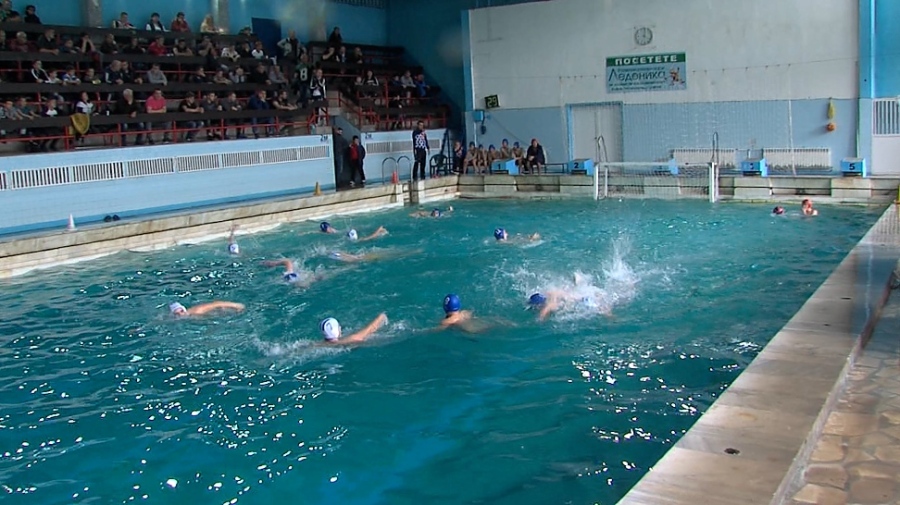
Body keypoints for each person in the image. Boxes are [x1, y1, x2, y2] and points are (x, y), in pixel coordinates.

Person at [319, 313, 388, 346]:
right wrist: (380, 317)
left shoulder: (320, 344)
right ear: (335, 330)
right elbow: (368, 330)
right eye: (338, 327)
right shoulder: (351, 339)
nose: (340, 328)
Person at [170, 301, 244, 317]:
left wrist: (236, 305)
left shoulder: (198, 310)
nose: (181, 314)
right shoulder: (175, 319)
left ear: (184, 309)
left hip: (220, 310)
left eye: (182, 311)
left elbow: (217, 303)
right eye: (177, 314)